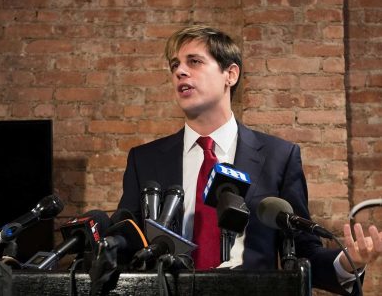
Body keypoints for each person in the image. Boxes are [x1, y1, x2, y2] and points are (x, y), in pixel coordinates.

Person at [117, 25, 382, 295]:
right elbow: (124, 247)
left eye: (194, 62)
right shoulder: (145, 160)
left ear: (230, 74)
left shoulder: (278, 157)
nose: (180, 71)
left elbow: (303, 253)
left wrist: (349, 263)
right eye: (175, 65)